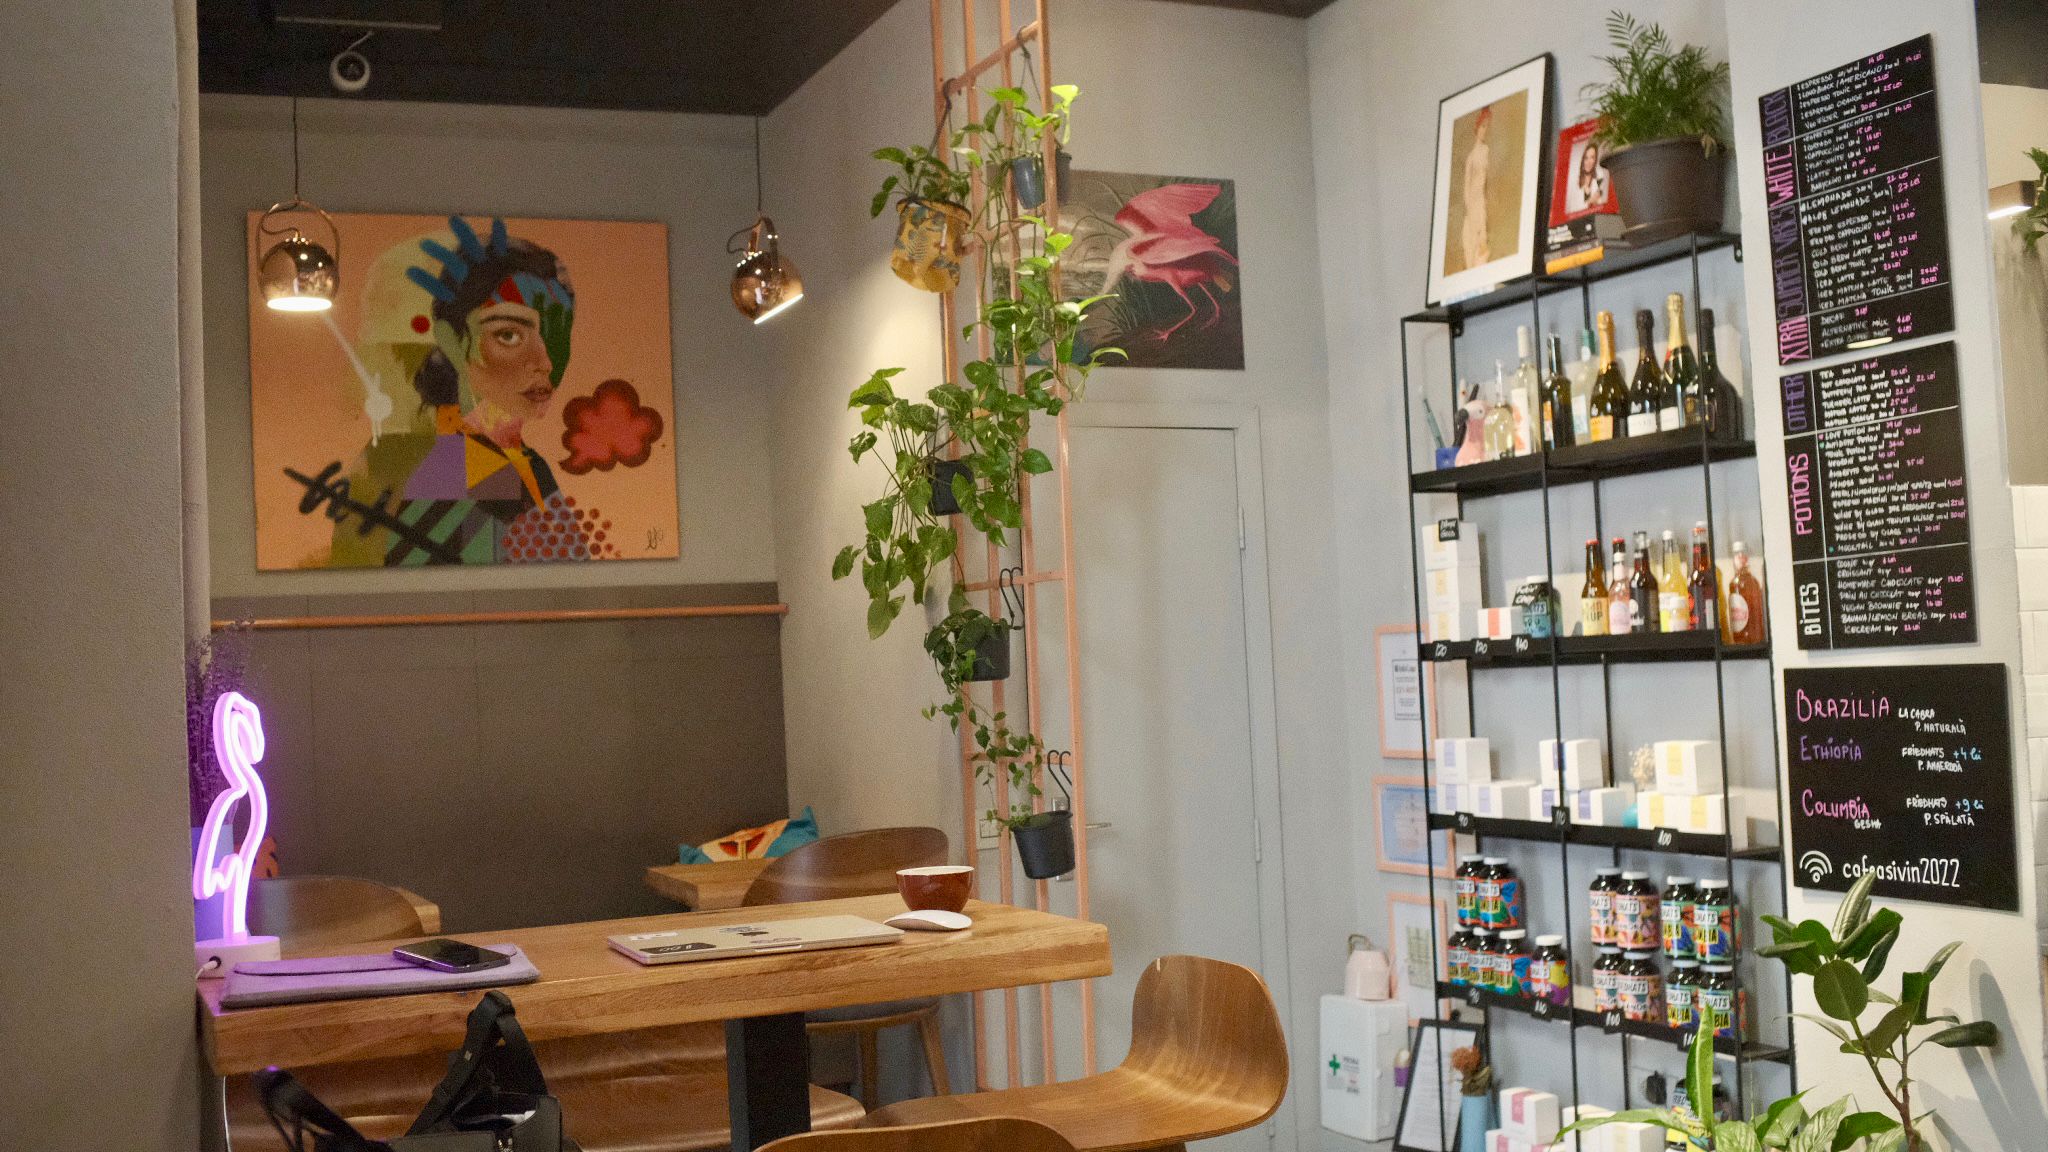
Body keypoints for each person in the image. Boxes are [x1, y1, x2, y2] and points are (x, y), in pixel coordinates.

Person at [323, 216, 586, 566]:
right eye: (509, 335)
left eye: (557, 332)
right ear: (451, 341)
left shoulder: (523, 461)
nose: (545, 361)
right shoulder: (456, 469)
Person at [1459, 105, 1493, 270]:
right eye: (1482, 126)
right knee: (1472, 249)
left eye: (1487, 127)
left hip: (1481, 204)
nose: (1484, 130)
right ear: (1477, 128)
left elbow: (1485, 183)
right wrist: (1471, 208)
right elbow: (1467, 186)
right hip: (1473, 207)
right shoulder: (1471, 157)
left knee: (1482, 250)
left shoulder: (1486, 150)